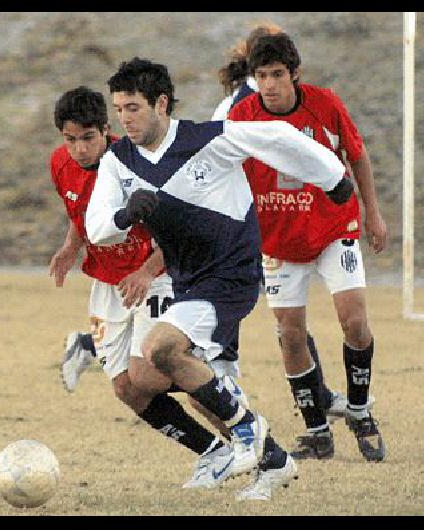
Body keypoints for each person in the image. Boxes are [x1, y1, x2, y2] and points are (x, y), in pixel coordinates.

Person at [86, 57, 354, 500]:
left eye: (133, 107)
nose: (124, 119)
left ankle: (247, 434)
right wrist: (125, 213)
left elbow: (277, 137)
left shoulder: (207, 137)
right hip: (185, 281)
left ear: (161, 103)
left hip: (231, 274)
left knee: (163, 348)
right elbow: (99, 225)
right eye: (119, 109)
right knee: (156, 383)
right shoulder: (119, 160)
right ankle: (271, 462)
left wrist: (332, 178)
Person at [49, 86, 246, 489]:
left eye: (88, 138)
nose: (80, 149)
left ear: (107, 130)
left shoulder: (133, 164)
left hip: (155, 277)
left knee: (152, 374)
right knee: (127, 389)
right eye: (70, 139)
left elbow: (175, 230)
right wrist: (70, 248)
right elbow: (78, 211)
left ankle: (226, 400)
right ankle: (214, 453)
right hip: (108, 285)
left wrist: (145, 271)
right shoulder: (59, 164)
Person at [228, 33, 386, 462]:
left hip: (335, 228)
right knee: (290, 335)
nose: (269, 85)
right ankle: (317, 430)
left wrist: (373, 213)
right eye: (261, 76)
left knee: (354, 321)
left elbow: (358, 155)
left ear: (294, 74)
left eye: (277, 75)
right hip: (278, 239)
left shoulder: (325, 104)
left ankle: (360, 411)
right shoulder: (242, 116)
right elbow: (226, 175)